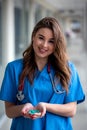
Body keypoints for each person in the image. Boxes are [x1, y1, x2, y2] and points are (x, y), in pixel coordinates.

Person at [0, 17, 85, 130]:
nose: (44, 45)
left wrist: (45, 106)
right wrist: (23, 108)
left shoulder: (68, 69)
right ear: (33, 36)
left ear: (56, 44)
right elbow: (9, 111)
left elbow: (71, 110)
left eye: (51, 41)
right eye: (41, 38)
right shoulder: (14, 68)